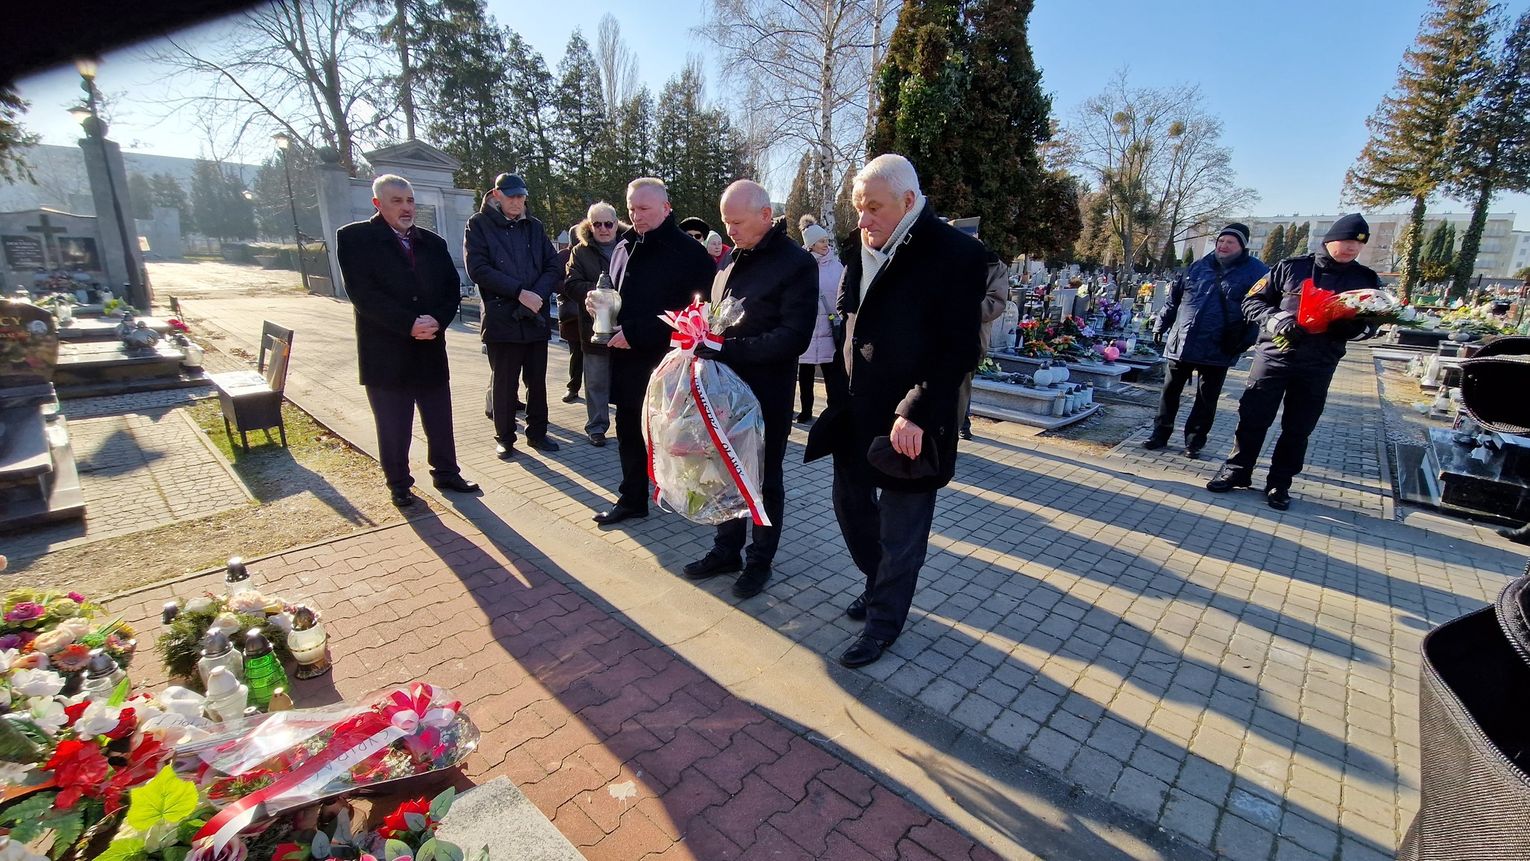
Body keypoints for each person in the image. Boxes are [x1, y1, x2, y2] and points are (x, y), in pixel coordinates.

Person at [819, 154, 986, 669]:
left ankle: (883, 624)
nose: (862, 219)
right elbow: (852, 317)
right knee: (850, 507)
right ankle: (877, 584)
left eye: (873, 207)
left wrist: (915, 409)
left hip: (914, 417)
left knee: (901, 529)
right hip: (857, 408)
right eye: (858, 207)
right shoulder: (861, 246)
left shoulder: (956, 253)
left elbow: (959, 348)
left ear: (908, 201)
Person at [681, 180, 817, 598]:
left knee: (763, 479)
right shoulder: (730, 258)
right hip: (722, 390)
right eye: (726, 222)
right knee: (721, 471)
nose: (730, 230)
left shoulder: (796, 263)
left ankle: (760, 561)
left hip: (766, 394)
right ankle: (727, 550)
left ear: (765, 215)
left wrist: (727, 348)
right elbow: (716, 318)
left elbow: (794, 337)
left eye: (737, 222)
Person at [1208, 213, 1382, 510]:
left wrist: (1354, 329)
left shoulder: (1365, 280)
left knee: (1299, 427)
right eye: (1346, 241)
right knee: (1253, 417)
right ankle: (1237, 470)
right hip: (1274, 357)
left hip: (1319, 362)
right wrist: (1278, 321)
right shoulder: (1291, 268)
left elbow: (1375, 323)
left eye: (1358, 244)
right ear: (1330, 240)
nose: (1352, 248)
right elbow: (1252, 301)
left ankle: (1280, 482)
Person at [336, 174, 478, 507]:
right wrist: (408, 324)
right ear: (378, 203)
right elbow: (363, 294)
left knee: (439, 419)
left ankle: (446, 472)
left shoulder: (433, 243)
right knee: (393, 425)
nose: (406, 208)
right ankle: (399, 483)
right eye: (397, 201)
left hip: (430, 347)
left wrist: (438, 320)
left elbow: (450, 289)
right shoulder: (355, 238)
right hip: (386, 352)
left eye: (410, 200)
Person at [588, 178, 717, 525]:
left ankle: (690, 499)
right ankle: (632, 499)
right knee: (628, 430)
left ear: (665, 207)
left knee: (676, 436)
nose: (636, 215)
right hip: (628, 361)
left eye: (643, 208)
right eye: (631, 209)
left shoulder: (689, 253)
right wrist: (601, 307)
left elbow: (698, 312)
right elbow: (619, 296)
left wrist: (637, 332)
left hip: (669, 363)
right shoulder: (625, 245)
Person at [1146, 223, 1269, 457]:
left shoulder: (1256, 272)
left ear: (1242, 246)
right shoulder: (1198, 266)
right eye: (1221, 241)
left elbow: (1259, 310)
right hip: (1183, 341)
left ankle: (1194, 442)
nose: (1223, 245)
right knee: (1169, 392)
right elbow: (1175, 299)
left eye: (1230, 242)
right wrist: (1161, 323)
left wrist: (1245, 341)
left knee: (1206, 398)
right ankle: (1159, 434)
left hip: (1219, 345)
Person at [465, 172, 562, 458]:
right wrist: (519, 292)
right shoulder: (478, 224)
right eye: (512, 197)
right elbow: (478, 269)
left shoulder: (534, 226)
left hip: (534, 316)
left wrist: (536, 296)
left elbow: (553, 266)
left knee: (537, 382)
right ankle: (505, 437)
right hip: (502, 317)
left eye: (521, 197)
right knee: (505, 384)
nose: (517, 202)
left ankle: (538, 433)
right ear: (497, 195)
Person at [564, 203, 627, 446]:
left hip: (626, 327)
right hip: (595, 328)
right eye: (597, 224)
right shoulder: (580, 252)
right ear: (590, 226)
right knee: (596, 381)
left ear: (616, 223)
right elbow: (571, 284)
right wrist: (599, 293)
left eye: (608, 223)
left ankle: (629, 426)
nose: (603, 229)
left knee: (627, 380)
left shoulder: (630, 245)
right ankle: (597, 427)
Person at [795, 215, 847, 423]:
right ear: (811, 244)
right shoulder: (800, 265)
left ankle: (834, 411)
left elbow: (843, 293)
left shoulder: (836, 266)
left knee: (831, 374)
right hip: (807, 329)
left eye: (826, 240)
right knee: (805, 375)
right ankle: (806, 410)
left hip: (829, 328)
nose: (826, 244)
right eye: (821, 241)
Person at [959, 250, 1012, 440]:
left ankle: (961, 424)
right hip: (935, 337)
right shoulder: (942, 254)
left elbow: (994, 304)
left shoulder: (994, 266)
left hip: (971, 337)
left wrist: (957, 305)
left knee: (961, 384)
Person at [553, 228, 579, 403]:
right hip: (571, 314)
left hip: (592, 312)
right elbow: (554, 281)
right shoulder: (563, 256)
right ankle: (573, 387)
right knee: (575, 353)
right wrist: (572, 288)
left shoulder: (592, 253)